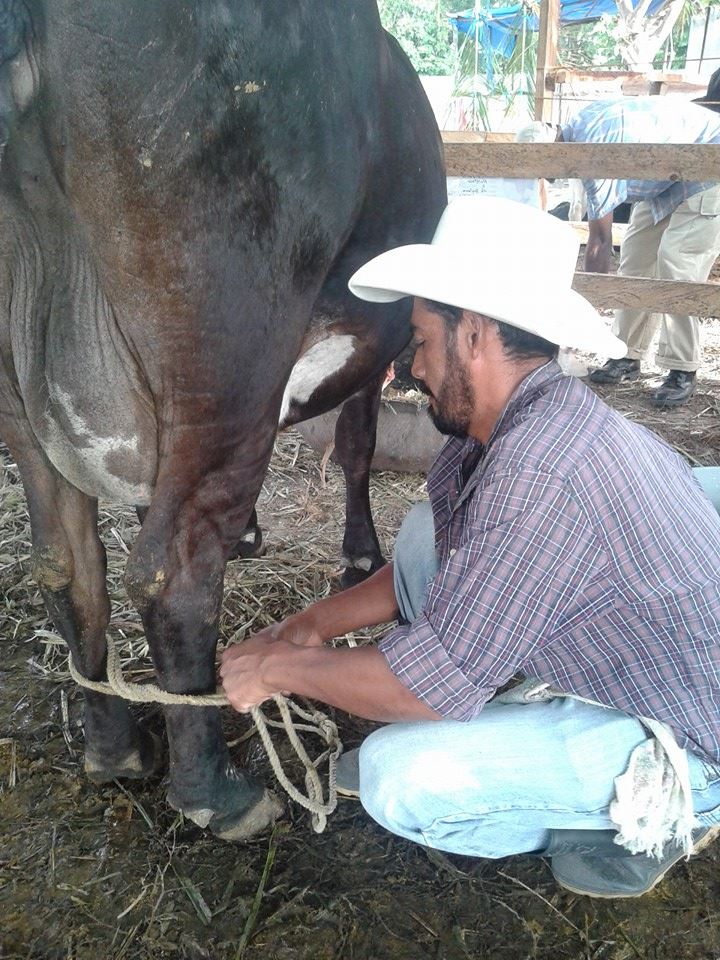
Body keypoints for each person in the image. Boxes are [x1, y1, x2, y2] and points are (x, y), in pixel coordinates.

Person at [220, 196, 720, 899]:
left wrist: (279, 668)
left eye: (422, 338)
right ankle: (530, 739)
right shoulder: (503, 430)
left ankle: (639, 813)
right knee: (430, 533)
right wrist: (313, 626)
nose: (412, 364)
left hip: (680, 724)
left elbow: (427, 684)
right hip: (626, 653)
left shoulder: (541, 470)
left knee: (405, 780)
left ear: (475, 336)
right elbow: (423, 566)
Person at [558, 96, 720, 408]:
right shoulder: (577, 124)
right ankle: (626, 355)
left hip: (709, 163)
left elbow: (600, 241)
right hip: (663, 176)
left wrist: (590, 307)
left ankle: (682, 368)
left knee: (677, 264)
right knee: (635, 258)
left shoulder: (594, 156)